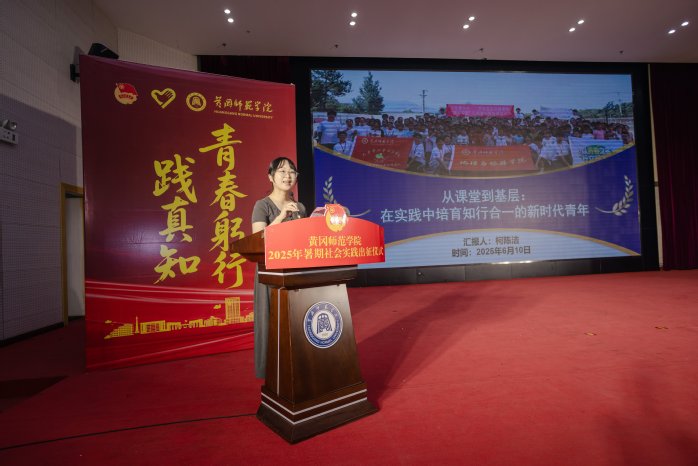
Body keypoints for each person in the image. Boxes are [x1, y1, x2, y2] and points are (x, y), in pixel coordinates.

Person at [251, 157, 306, 378]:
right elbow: (257, 239)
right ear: (271, 177)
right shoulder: (262, 205)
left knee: (295, 321)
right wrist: (282, 215)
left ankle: (296, 367)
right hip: (270, 273)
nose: (287, 176)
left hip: (295, 271)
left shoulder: (300, 207)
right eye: (282, 171)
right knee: (271, 322)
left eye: (292, 171)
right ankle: (272, 371)